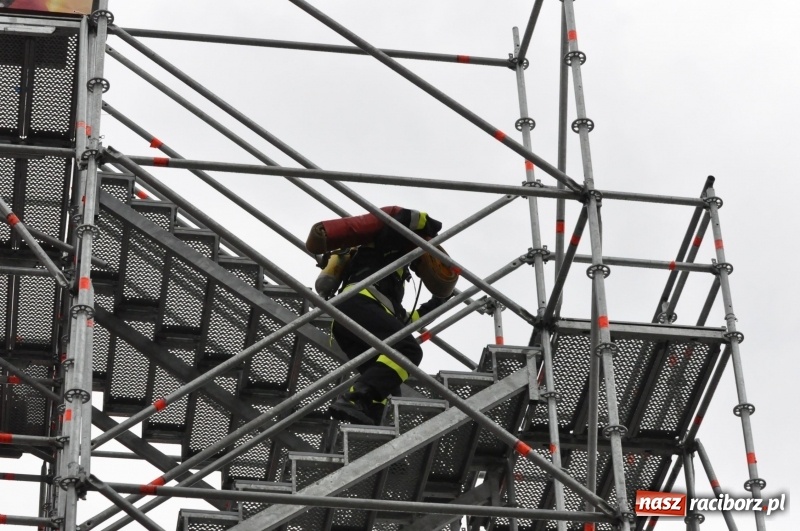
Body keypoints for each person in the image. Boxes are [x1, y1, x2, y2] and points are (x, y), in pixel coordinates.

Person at [328, 208, 448, 425]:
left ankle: (367, 419)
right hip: (357, 304)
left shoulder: (395, 281)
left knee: (387, 384)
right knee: (408, 351)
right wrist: (430, 226)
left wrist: (437, 302)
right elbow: (400, 219)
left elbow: (401, 322)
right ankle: (352, 398)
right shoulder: (386, 246)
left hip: (352, 319)